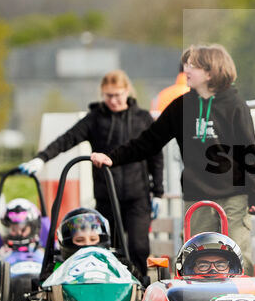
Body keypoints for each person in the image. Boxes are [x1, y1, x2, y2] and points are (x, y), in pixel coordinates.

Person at [91, 44, 255, 276]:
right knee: (194, 256)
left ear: (211, 72)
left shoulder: (234, 105)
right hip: (196, 195)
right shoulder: (181, 106)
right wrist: (112, 158)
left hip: (233, 195)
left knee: (237, 255)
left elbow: (249, 153)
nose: (186, 70)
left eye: (193, 66)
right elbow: (148, 142)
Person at [20, 70, 163, 279]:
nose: (113, 100)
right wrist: (41, 158)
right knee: (105, 247)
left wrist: (157, 192)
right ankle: (107, 286)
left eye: (118, 95)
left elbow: (156, 156)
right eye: (108, 96)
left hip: (137, 196)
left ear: (127, 92)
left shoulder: (142, 119)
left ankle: (140, 291)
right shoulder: (96, 119)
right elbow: (66, 139)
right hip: (106, 197)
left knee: (138, 247)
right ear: (102, 95)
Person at [177, 232, 243, 277]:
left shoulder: (243, 293)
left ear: (232, 268)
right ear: (190, 270)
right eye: (203, 266)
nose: (213, 270)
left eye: (220, 265)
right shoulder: (178, 294)